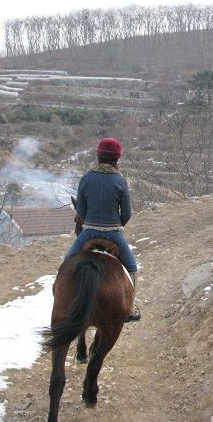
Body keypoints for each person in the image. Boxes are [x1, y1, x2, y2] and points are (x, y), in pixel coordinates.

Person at [65, 137, 141, 322]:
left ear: (98, 155)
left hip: (88, 232)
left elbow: (81, 212)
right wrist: (117, 224)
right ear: (117, 159)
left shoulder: (86, 178)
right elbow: (127, 213)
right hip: (113, 234)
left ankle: (61, 297)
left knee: (67, 263)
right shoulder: (120, 181)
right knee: (131, 267)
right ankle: (129, 309)